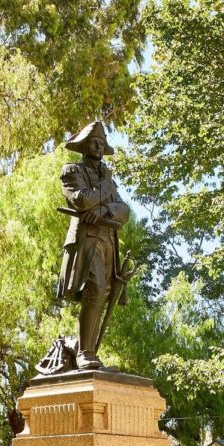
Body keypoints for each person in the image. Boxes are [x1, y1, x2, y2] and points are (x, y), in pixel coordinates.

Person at [57, 121, 130, 370]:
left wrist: (103, 210)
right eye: (93, 142)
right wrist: (106, 186)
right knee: (95, 289)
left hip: (109, 240)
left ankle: (89, 352)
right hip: (87, 240)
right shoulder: (72, 171)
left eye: (101, 143)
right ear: (84, 146)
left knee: (104, 294)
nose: (98, 147)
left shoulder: (105, 177)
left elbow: (124, 211)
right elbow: (81, 200)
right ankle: (85, 352)